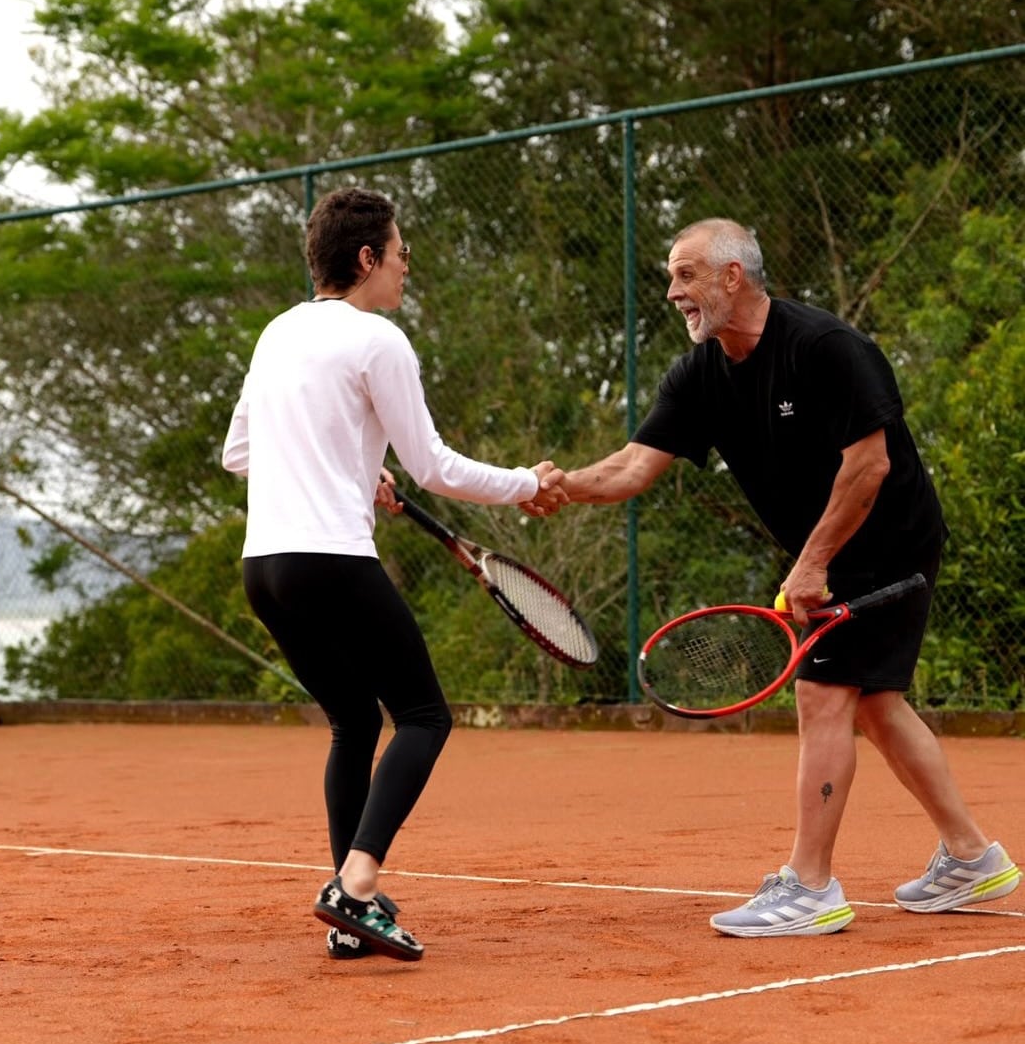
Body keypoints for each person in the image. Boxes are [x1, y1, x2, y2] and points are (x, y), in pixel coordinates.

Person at [556, 217, 1020, 937]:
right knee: (874, 703)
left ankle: (810, 885)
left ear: (731, 277)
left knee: (823, 695)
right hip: (834, 547)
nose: (673, 291)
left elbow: (869, 465)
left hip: (889, 536)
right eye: (671, 277)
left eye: (685, 274)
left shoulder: (827, 348)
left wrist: (813, 562)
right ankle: (971, 856)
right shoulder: (699, 374)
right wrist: (558, 485)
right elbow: (631, 467)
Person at [222, 186, 566, 963]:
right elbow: (433, 465)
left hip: (264, 569)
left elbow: (239, 454)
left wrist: (355, 467)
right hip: (332, 561)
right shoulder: (378, 341)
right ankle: (358, 887)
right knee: (424, 716)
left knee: (353, 720)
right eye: (402, 253)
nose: (409, 267)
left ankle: (351, 903)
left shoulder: (276, 334)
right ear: (367, 258)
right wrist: (525, 482)